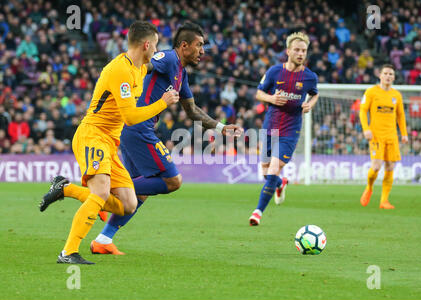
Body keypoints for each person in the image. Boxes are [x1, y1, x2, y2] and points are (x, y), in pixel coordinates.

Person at [90, 21, 243, 254]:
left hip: (134, 130)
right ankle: (109, 191)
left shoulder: (181, 74)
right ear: (184, 46)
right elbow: (148, 63)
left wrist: (221, 127)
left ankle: (103, 240)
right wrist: (129, 80)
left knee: (142, 191)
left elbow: (192, 111)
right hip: (139, 127)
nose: (203, 51)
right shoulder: (169, 58)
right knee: (173, 181)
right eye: (199, 45)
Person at [39, 21, 180, 264]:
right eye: (155, 45)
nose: (156, 50)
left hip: (109, 142)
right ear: (146, 44)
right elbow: (130, 117)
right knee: (101, 192)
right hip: (92, 134)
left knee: (127, 204)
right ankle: (68, 252)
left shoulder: (140, 69)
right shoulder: (120, 71)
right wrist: (163, 103)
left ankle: (65, 188)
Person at [249, 31, 319, 226]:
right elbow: (259, 93)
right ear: (288, 51)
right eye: (297, 50)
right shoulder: (274, 72)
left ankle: (257, 212)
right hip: (270, 125)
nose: (300, 53)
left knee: (273, 168)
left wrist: (310, 104)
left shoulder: (310, 77)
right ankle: (280, 184)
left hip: (291, 129)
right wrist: (271, 98)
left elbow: (315, 94)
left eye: (304, 50)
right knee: (266, 172)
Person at [359, 64, 408, 210]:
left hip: (391, 135)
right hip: (376, 135)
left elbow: (401, 116)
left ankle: (384, 201)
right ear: (380, 75)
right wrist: (366, 129)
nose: (388, 76)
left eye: (391, 74)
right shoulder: (371, 92)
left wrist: (404, 134)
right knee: (376, 166)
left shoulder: (396, 95)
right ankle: (369, 187)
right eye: (385, 73)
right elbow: (362, 111)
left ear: (394, 77)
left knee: (390, 166)